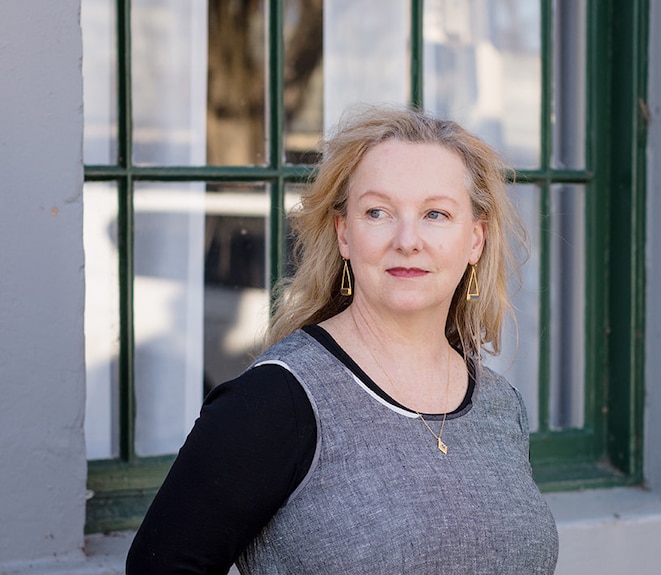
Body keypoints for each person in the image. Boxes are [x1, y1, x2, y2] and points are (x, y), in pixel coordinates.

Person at [126, 106, 559, 574]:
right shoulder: (276, 402)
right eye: (378, 212)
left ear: (475, 240)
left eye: (436, 213)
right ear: (344, 234)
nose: (408, 239)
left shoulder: (500, 405)